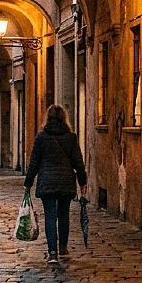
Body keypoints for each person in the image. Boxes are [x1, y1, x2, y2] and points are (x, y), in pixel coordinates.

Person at [24, 105, 88, 265]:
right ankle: (63, 248)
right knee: (63, 215)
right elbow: (78, 162)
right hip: (65, 182)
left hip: (47, 181)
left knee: (50, 217)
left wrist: (28, 183)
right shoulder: (71, 137)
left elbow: (34, 163)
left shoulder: (41, 137)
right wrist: (83, 181)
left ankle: (52, 253)